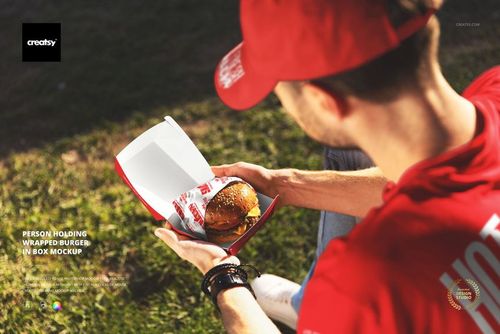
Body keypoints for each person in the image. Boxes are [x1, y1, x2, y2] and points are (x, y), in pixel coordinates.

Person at [155, 0, 500, 333]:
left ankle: (312, 313)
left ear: (324, 102)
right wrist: (282, 185)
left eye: (278, 91)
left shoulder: (369, 281)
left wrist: (221, 274)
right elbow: (444, 181)